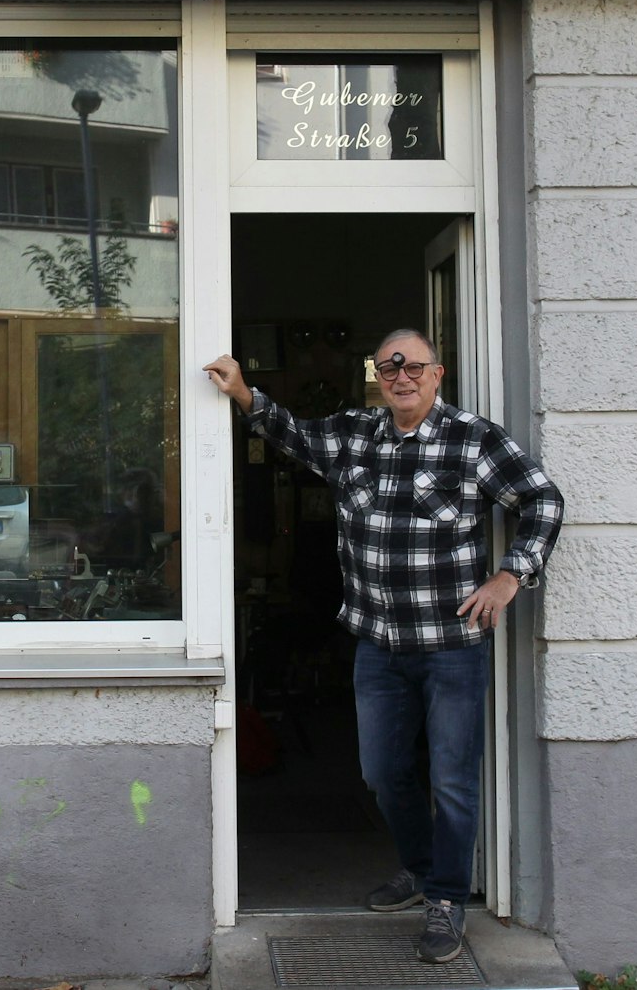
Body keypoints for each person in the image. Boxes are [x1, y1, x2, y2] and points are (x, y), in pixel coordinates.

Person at [204, 330, 563, 964]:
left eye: (414, 367)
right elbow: (294, 434)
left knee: (452, 781)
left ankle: (447, 900)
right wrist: (243, 394)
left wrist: (511, 576)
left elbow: (543, 500)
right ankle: (423, 871)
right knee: (381, 773)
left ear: (437, 374)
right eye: (389, 367)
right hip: (378, 645)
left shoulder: (473, 440)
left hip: (452, 645)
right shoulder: (355, 434)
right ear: (377, 375)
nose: (401, 377)